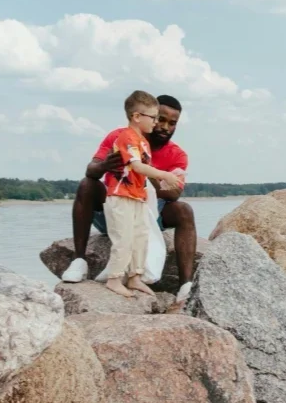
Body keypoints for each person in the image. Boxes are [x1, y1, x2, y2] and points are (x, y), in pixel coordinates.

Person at [62, 94, 197, 306]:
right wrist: (105, 165)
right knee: (86, 185)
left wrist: (148, 173)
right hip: (116, 209)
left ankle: (185, 286)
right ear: (141, 116)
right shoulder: (120, 137)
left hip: (147, 212)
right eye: (159, 119)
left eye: (172, 123)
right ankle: (80, 260)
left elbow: (174, 193)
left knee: (184, 210)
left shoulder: (177, 155)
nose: (164, 127)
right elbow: (91, 170)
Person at [101, 91, 181, 298]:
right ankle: (114, 279)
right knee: (124, 238)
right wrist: (164, 175)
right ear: (137, 116)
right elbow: (136, 166)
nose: (156, 123)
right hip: (121, 196)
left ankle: (135, 277)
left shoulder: (143, 142)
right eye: (153, 118)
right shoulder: (126, 137)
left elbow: (143, 172)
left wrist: (162, 182)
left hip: (137, 196)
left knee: (140, 237)